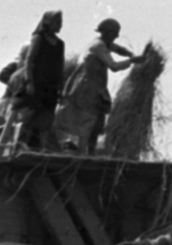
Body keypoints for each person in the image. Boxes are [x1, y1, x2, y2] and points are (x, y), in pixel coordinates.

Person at [57, 18, 139, 155]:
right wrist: (131, 61)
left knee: (96, 122)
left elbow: (118, 48)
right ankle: (83, 153)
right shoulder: (98, 46)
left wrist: (130, 54)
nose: (117, 36)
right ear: (107, 32)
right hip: (87, 88)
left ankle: (90, 151)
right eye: (115, 33)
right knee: (87, 121)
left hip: (96, 87)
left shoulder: (105, 43)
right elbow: (113, 66)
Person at [12, 10, 66, 150]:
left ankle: (44, 148)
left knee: (47, 118)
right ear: (48, 22)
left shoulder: (60, 44)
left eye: (61, 22)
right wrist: (29, 82)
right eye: (57, 22)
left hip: (51, 85)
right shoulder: (38, 38)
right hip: (37, 83)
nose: (60, 25)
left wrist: (61, 87)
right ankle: (20, 145)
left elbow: (60, 66)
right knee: (29, 115)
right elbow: (29, 61)